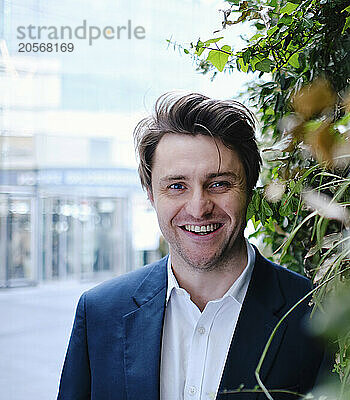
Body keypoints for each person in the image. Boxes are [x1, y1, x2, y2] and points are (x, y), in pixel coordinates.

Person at [58, 92, 325, 400]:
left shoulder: (314, 314)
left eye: (220, 183)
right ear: (150, 193)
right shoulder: (100, 313)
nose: (198, 208)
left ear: (249, 188)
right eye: (176, 186)